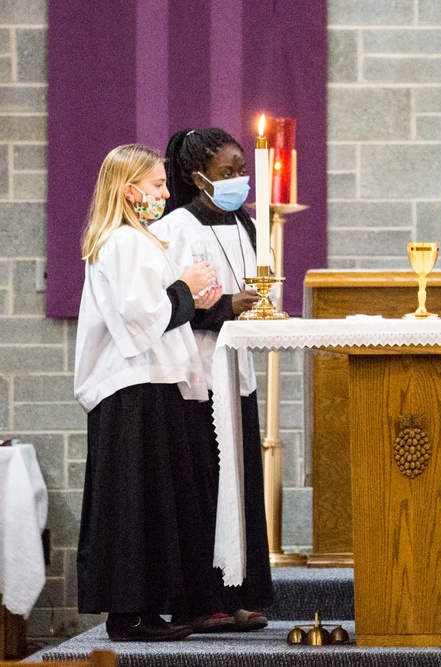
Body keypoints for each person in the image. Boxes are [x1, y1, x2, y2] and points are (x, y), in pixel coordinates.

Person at [74, 144, 221, 641]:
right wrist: (184, 286)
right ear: (128, 190)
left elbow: (153, 310)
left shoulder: (135, 242)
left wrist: (190, 295)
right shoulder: (124, 243)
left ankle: (144, 610)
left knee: (149, 500)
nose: (164, 193)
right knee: (132, 501)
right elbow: (141, 321)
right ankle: (128, 614)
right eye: (157, 185)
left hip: (148, 383)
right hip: (131, 386)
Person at [152, 128, 273, 632]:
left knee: (239, 484)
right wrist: (227, 306)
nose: (239, 180)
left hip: (235, 370)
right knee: (204, 485)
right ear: (197, 176)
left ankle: (237, 591)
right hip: (196, 372)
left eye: (242, 170)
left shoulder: (244, 221)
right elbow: (169, 299)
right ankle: (199, 601)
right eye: (228, 173)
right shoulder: (177, 224)